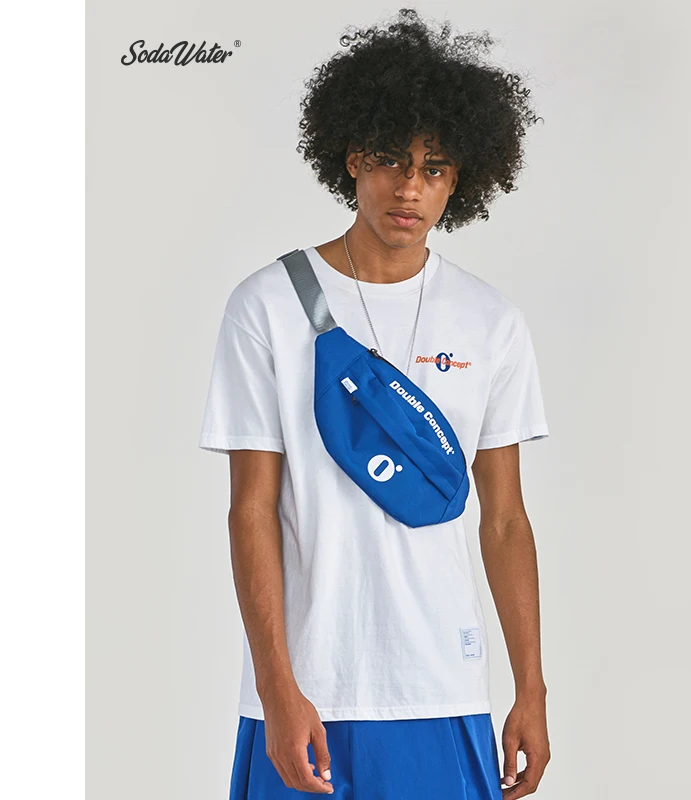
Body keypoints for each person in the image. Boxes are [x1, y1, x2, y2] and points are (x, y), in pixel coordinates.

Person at [199, 9, 552, 799]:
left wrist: (530, 687)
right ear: (354, 158)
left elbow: (504, 520)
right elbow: (251, 510)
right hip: (305, 695)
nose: (409, 186)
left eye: (435, 167)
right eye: (390, 159)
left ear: (461, 180)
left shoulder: (490, 321)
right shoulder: (266, 306)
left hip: (442, 686)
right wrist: (276, 687)